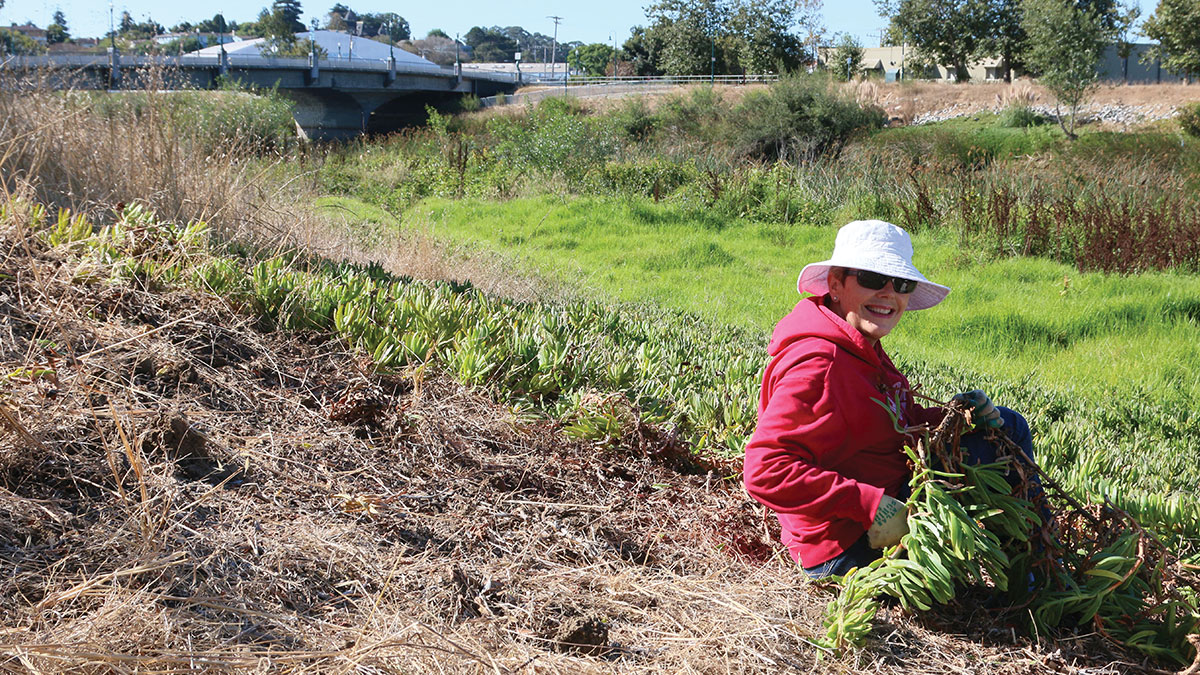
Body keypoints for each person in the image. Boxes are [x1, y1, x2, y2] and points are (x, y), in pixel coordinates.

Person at [742, 219, 1033, 578]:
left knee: (1006, 425)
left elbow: (890, 420)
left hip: (880, 504)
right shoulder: (822, 364)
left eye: (902, 284)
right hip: (847, 544)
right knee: (1011, 436)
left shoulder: (858, 343)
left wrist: (956, 417)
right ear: (835, 284)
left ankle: (1031, 566)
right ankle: (1031, 578)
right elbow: (765, 471)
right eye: (871, 279)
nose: (888, 293)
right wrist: (871, 505)